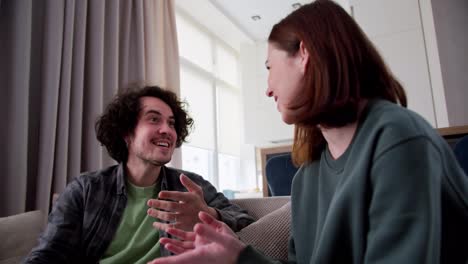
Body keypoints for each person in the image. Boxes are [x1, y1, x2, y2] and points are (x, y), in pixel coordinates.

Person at [148, 1, 468, 263]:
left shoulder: (398, 140)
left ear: (304, 54)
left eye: (269, 68)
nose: (268, 90)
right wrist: (236, 254)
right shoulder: (307, 179)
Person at [25, 85, 255, 263]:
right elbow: (48, 255)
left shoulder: (189, 185)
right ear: (126, 131)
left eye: (172, 123)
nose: (167, 130)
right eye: (154, 119)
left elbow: (245, 221)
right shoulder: (85, 190)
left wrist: (208, 213)